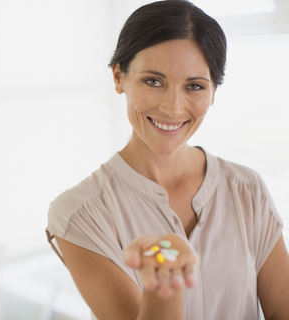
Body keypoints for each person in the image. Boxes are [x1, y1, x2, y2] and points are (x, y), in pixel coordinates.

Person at [45, 1, 289, 319]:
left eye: (194, 86)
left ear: (213, 91)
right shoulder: (80, 213)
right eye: (153, 81)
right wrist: (165, 285)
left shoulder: (246, 188)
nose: (173, 109)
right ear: (119, 76)